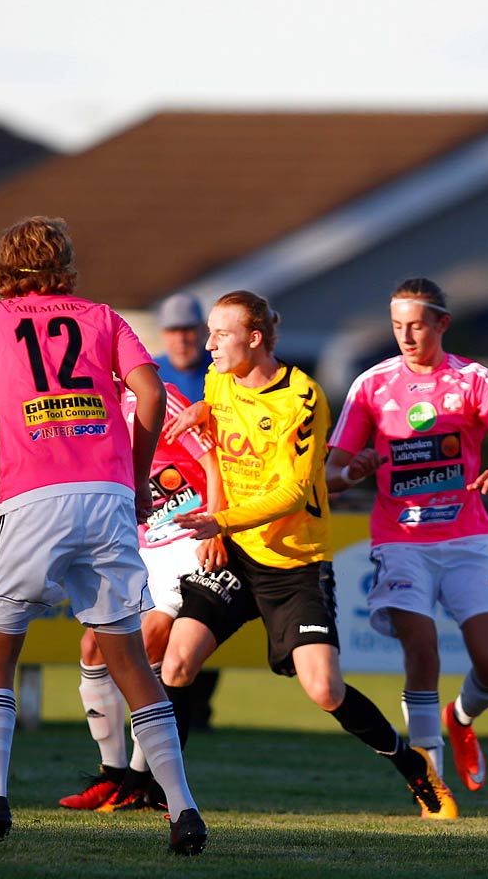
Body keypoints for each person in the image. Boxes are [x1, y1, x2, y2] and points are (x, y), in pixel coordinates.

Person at [0, 216, 206, 856]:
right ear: (64, 265)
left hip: (29, 500)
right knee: (129, 660)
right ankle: (181, 807)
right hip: (104, 497)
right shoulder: (101, 317)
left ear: (4, 268)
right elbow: (151, 396)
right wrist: (132, 473)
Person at [157, 290, 448, 817]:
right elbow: (220, 450)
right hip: (236, 554)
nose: (209, 344)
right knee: (176, 664)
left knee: (324, 689)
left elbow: (292, 493)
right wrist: (220, 528)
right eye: (209, 334)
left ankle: (412, 766)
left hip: (295, 564)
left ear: (255, 337)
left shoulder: (303, 397)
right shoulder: (217, 378)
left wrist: (218, 519)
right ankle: (167, 796)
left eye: (220, 334)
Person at [324, 278, 488, 813]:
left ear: (442, 323)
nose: (406, 335)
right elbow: (328, 476)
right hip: (401, 542)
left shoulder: (473, 379)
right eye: (397, 326)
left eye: (416, 324)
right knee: (423, 649)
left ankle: (459, 720)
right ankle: (431, 785)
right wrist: (354, 470)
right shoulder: (371, 385)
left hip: (466, 541)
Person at [59, 381, 227, 812]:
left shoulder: (156, 394)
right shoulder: (79, 412)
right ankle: (112, 775)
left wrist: (216, 525)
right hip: (137, 544)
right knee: (93, 646)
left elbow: (212, 460)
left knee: (149, 639)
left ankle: (138, 778)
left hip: (186, 541)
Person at [151, 291, 222, 731]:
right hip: (163, 519)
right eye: (174, 331)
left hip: (212, 511)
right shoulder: (151, 374)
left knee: (205, 623)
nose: (183, 339)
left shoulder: (218, 372)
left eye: (190, 330)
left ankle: (198, 707)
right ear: (164, 334)